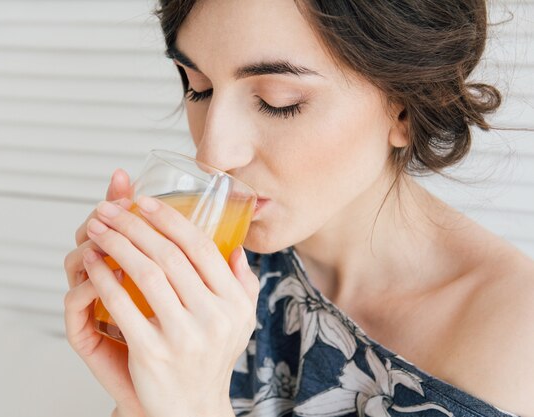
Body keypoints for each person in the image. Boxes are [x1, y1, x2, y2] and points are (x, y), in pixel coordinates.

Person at [63, 0, 534, 416]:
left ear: (407, 108)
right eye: (198, 87)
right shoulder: (214, 270)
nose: (213, 153)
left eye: (277, 102)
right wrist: (143, 403)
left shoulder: (516, 342)